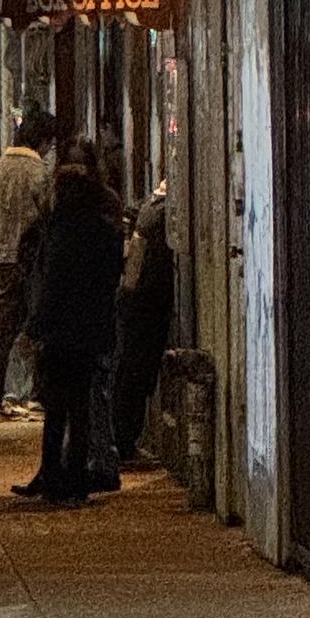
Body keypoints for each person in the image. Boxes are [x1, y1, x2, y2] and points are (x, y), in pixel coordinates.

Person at [16, 159, 126, 505]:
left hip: (62, 333)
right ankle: (76, 479)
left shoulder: (60, 232)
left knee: (56, 410)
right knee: (80, 410)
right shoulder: (106, 231)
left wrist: (34, 328)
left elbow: (51, 287)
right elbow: (112, 280)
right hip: (92, 330)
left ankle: (52, 476)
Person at [0, 108, 55, 412]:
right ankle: (32, 390)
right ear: (43, 142)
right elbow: (48, 217)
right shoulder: (39, 174)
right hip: (32, 260)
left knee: (4, 327)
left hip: (1, 258)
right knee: (35, 325)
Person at [112, 180, 174, 466]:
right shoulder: (160, 214)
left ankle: (123, 441)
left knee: (128, 371)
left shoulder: (149, 207)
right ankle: (124, 442)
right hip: (148, 302)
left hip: (134, 298)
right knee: (136, 374)